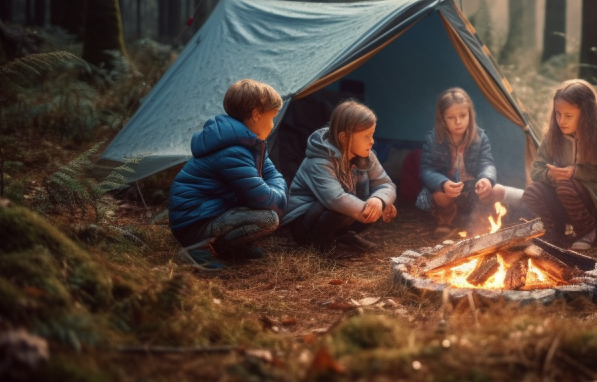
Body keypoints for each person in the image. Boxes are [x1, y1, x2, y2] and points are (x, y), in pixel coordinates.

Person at [169, 79, 288, 270]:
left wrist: (276, 195)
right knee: (269, 218)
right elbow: (261, 198)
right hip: (195, 221)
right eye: (272, 117)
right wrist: (280, 198)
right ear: (256, 114)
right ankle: (198, 248)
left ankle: (228, 246)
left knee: (269, 212)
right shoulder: (233, 151)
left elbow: (273, 175)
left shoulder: (249, 144)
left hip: (211, 213)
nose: (273, 124)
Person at [281, 100, 397, 258]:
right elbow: (335, 199)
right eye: (366, 136)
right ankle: (320, 244)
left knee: (374, 201)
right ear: (344, 138)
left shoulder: (366, 156)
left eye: (372, 134)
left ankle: (342, 236)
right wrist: (371, 209)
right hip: (305, 224)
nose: (372, 141)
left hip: (340, 211)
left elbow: (385, 183)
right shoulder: (319, 161)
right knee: (342, 205)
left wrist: (380, 200)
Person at [523, 80, 597, 250]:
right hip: (565, 204)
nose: (561, 121)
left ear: (586, 115)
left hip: (594, 208)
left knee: (566, 187)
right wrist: (550, 175)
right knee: (532, 192)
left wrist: (577, 173)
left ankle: (588, 231)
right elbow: (536, 170)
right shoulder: (552, 137)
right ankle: (553, 233)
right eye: (557, 114)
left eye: (568, 116)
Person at [416, 88, 506, 236]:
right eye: (451, 117)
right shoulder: (433, 139)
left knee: (498, 190)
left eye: (463, 116)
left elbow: (487, 163)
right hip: (448, 189)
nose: (458, 122)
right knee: (440, 196)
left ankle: (478, 220)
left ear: (470, 114)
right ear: (442, 119)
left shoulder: (480, 137)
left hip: (472, 188)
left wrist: (486, 179)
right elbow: (426, 170)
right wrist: (443, 183)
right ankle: (445, 220)